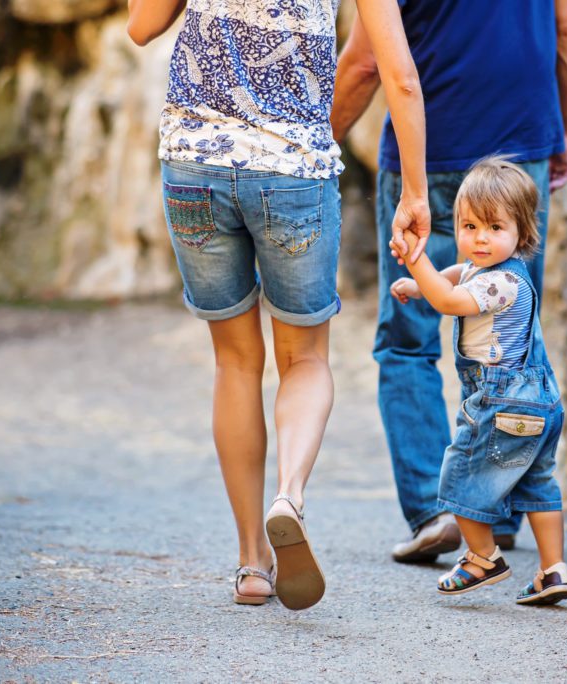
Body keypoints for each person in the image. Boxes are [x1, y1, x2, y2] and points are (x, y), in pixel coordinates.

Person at [126, 0, 430, 610]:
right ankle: (288, 495)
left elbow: (141, 25)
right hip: (291, 169)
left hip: (193, 166)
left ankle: (251, 563)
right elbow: (398, 75)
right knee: (306, 360)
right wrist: (415, 193)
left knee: (235, 361)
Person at [331, 0, 567, 562]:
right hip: (523, 154)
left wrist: (318, 143)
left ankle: (436, 510)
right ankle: (497, 508)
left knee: (408, 344)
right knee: (515, 338)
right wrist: (564, 127)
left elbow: (365, 63)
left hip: (429, 155)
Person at [389, 156, 567, 603]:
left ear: (523, 232)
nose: (481, 239)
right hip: (538, 400)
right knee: (535, 483)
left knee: (458, 475)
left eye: (494, 227)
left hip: (503, 402)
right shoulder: (494, 271)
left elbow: (453, 300)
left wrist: (417, 267)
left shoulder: (503, 284)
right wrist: (422, 285)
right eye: (469, 227)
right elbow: (460, 277)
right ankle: (553, 570)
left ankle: (482, 557)